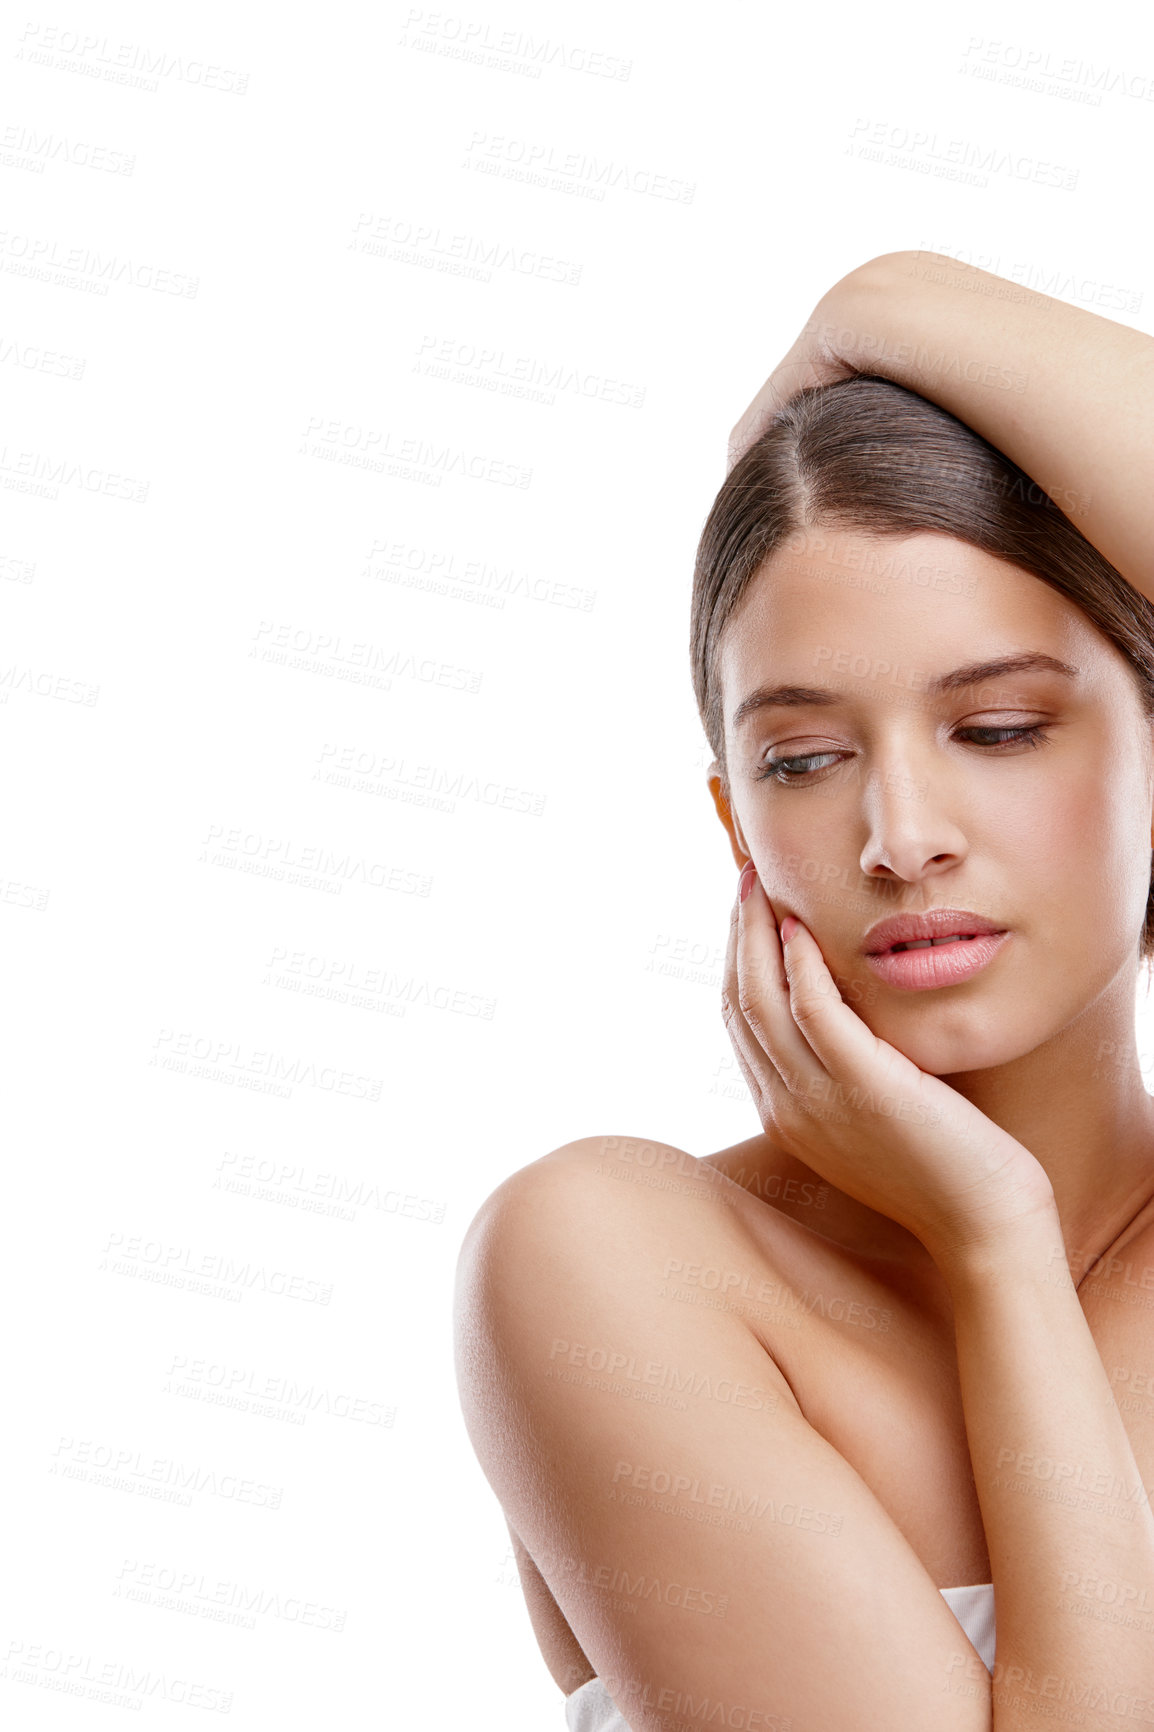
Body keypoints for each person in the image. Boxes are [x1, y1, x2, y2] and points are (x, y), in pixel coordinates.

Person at [453, 250, 1154, 1730]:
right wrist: (995, 1246)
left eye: (1001, 727)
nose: (901, 837)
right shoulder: (617, 1263)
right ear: (733, 823)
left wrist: (878, 304)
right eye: (804, 759)